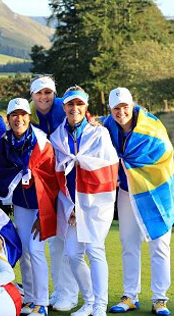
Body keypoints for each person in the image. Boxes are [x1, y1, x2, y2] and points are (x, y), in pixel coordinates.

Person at [103, 87, 174, 316]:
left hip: (156, 190)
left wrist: (128, 166)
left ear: (132, 105)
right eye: (116, 108)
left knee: (159, 244)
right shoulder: (106, 126)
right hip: (127, 192)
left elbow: (165, 154)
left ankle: (160, 299)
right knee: (128, 242)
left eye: (124, 107)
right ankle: (130, 296)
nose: (121, 112)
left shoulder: (151, 126)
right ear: (111, 110)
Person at [0, 98, 58, 316]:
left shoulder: (41, 142)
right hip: (21, 205)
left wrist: (44, 215)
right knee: (24, 251)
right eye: (14, 115)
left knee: (35, 250)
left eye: (23, 114)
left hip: (41, 205)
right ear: (8, 119)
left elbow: (50, 180)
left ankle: (42, 302)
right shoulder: (4, 144)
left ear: (29, 117)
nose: (19, 119)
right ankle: (31, 298)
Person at [50, 87, 119, 316]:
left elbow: (107, 171)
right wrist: (71, 207)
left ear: (86, 107)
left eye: (79, 104)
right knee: (72, 253)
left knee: (95, 250)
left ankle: (100, 304)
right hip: (70, 205)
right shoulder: (57, 137)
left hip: (95, 204)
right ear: (64, 107)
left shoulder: (99, 134)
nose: (74, 108)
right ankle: (89, 301)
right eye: (70, 104)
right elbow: (59, 176)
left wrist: (81, 207)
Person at [29, 76, 79, 310]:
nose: (44, 97)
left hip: (70, 182)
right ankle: (60, 290)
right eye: (39, 93)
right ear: (32, 95)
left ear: (55, 93)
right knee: (55, 242)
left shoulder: (65, 108)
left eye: (48, 92)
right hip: (49, 182)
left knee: (69, 242)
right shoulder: (29, 115)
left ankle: (70, 293)